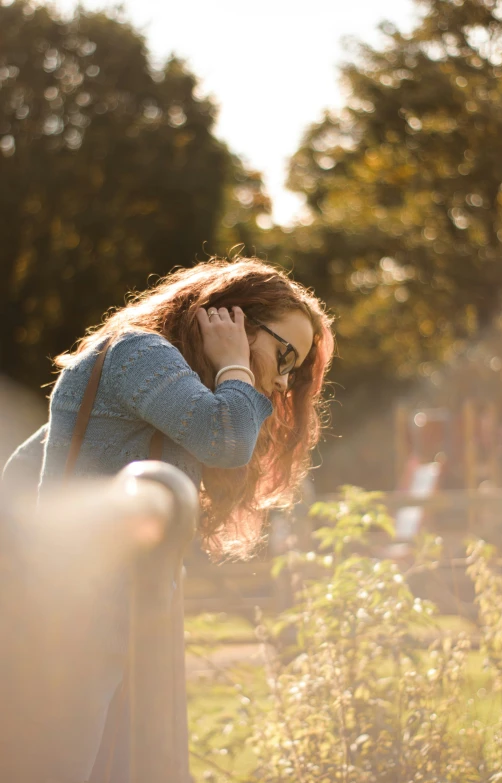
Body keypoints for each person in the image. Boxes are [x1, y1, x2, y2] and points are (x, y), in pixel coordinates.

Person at [2, 256, 335, 782]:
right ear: (231, 319)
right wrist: (234, 365)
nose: (283, 379)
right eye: (285, 353)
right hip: (76, 617)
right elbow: (226, 441)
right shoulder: (140, 350)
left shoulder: (152, 371)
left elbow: (29, 458)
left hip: (106, 614)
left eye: (295, 369)